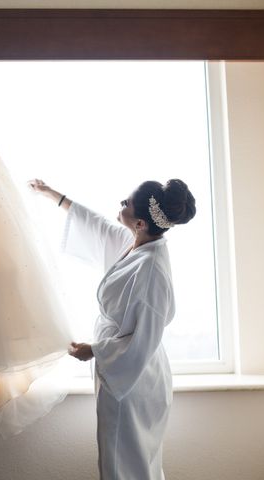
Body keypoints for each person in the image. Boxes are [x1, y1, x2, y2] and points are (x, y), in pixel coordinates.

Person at [28, 178, 196, 480]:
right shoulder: (137, 244)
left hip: (133, 379)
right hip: (123, 372)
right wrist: (53, 195)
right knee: (122, 461)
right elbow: (98, 226)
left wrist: (95, 350)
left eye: (127, 204)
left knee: (126, 464)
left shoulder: (152, 269)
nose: (121, 204)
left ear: (141, 222)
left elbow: (145, 339)